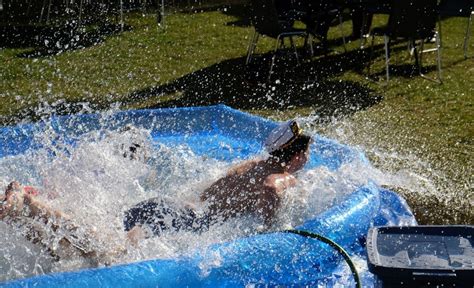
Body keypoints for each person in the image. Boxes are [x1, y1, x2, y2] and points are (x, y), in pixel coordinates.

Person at [0, 120, 312, 266]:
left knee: (79, 253)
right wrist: (272, 231)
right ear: (297, 155)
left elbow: (207, 190)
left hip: (167, 208)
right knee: (108, 253)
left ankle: (21, 216)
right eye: (307, 152)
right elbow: (272, 188)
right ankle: (27, 202)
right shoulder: (279, 176)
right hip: (173, 219)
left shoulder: (251, 164)